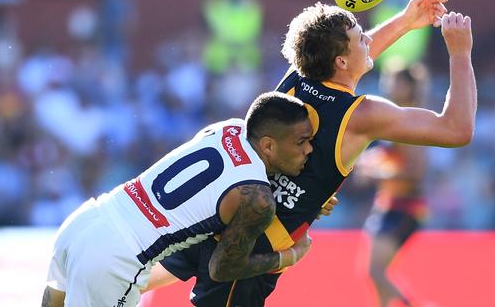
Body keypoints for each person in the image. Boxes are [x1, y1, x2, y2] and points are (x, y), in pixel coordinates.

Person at [147, 0, 477, 306]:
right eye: (360, 35)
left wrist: (406, 21)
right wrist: (460, 52)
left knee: (137, 280)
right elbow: (456, 129)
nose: (368, 39)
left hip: (218, 208)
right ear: (341, 61)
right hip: (251, 246)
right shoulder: (361, 115)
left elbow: (346, 60)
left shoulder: (297, 76)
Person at [42, 92, 317, 307]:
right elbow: (223, 268)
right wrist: (288, 256)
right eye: (301, 141)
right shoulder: (258, 200)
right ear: (268, 145)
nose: (309, 149)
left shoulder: (228, 128)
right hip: (116, 258)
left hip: (86, 220)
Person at [356, 64, 430, 306]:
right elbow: (392, 156)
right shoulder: (395, 117)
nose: (390, 86)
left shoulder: (411, 120)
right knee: (376, 275)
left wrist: (376, 174)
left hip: (404, 207)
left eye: (397, 81)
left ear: (411, 87)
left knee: (374, 273)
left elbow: (415, 171)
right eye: (389, 80)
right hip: (388, 206)